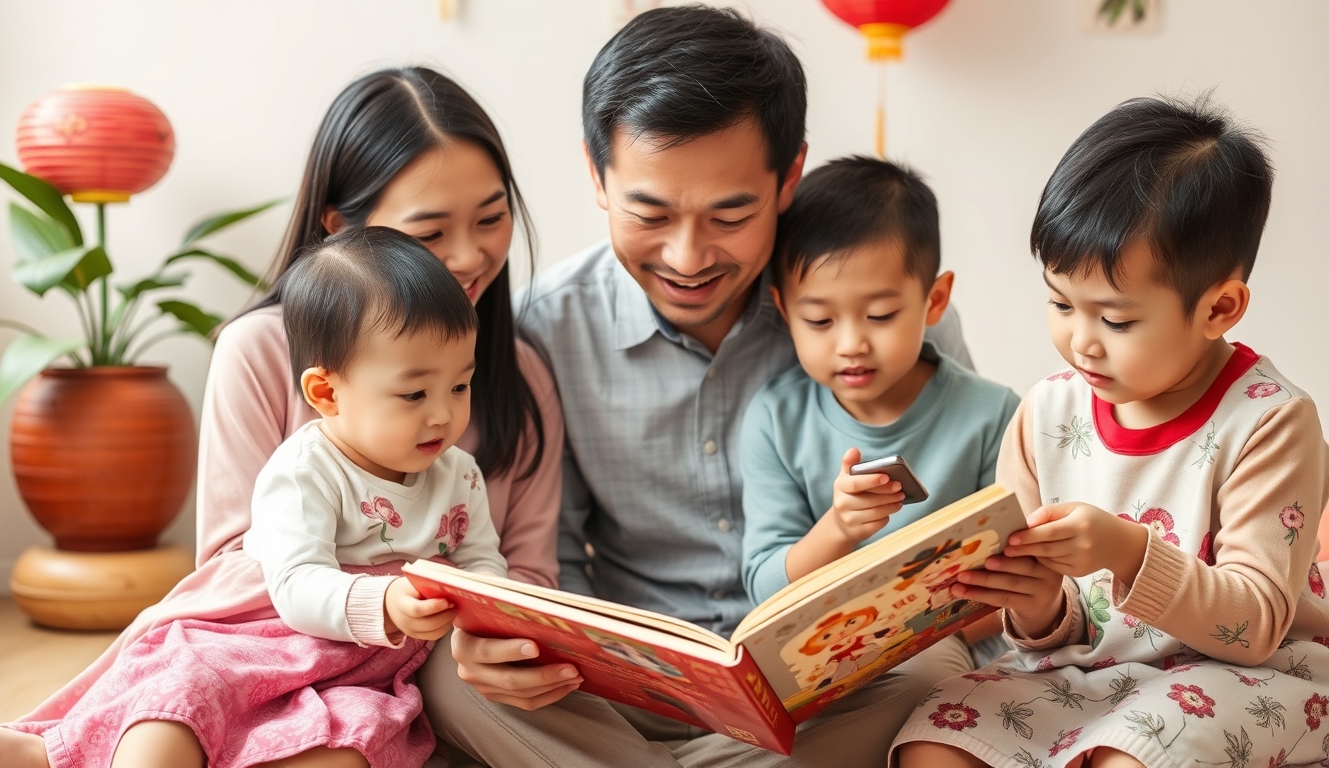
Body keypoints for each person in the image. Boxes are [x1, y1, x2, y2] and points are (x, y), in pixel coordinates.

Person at [422, 7, 977, 766]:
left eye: (730, 214)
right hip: (627, 693)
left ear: (790, 178)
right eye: (650, 212)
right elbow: (551, 559)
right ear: (596, 175)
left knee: (939, 671)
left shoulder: (877, 312)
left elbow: (960, 520)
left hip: (824, 681)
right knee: (456, 682)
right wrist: (519, 647)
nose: (687, 257)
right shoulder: (544, 332)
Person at [0, 66, 563, 766]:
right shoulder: (267, 365)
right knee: (179, 698)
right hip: (278, 628)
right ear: (342, 230)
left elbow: (516, 574)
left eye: (490, 216)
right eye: (429, 230)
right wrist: (384, 597)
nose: (470, 255)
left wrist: (468, 618)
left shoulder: (515, 384)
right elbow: (242, 568)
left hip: (417, 661)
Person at [893, 95, 1329, 767]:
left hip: (1245, 678)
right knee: (932, 744)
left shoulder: (1270, 421)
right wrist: (1037, 607)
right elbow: (1044, 629)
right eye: (1060, 302)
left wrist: (1128, 552)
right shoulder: (1047, 412)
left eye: (1116, 321)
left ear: (1219, 307)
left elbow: (1255, 625)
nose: (1081, 342)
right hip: (1086, 678)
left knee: (1127, 758)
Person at [0, 227, 508, 768]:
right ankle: (50, 754)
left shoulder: (460, 476)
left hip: (365, 671)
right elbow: (296, 583)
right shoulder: (306, 471)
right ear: (326, 393)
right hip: (259, 638)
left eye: (460, 386)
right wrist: (384, 602)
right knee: (179, 704)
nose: (443, 414)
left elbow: (480, 558)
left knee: (356, 743)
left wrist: (487, 599)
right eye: (415, 393)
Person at [739, 157, 1018, 668]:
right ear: (784, 311)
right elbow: (765, 589)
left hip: (963, 656)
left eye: (881, 316)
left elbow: (1028, 577)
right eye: (819, 320)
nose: (851, 344)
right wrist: (839, 528)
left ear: (934, 301)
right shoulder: (774, 421)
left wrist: (920, 640)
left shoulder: (994, 416)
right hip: (833, 665)